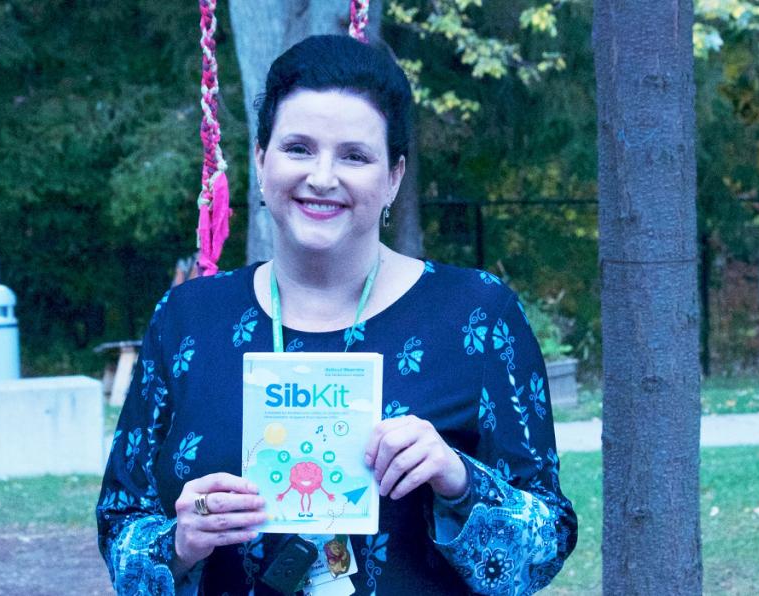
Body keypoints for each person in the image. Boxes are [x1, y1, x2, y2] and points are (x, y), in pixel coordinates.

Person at [97, 34, 577, 595]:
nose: (322, 177)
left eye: (354, 155)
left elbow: (546, 544)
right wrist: (180, 543)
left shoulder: (477, 317)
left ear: (394, 176)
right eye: (298, 147)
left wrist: (459, 480)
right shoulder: (187, 321)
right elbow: (120, 527)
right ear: (260, 159)